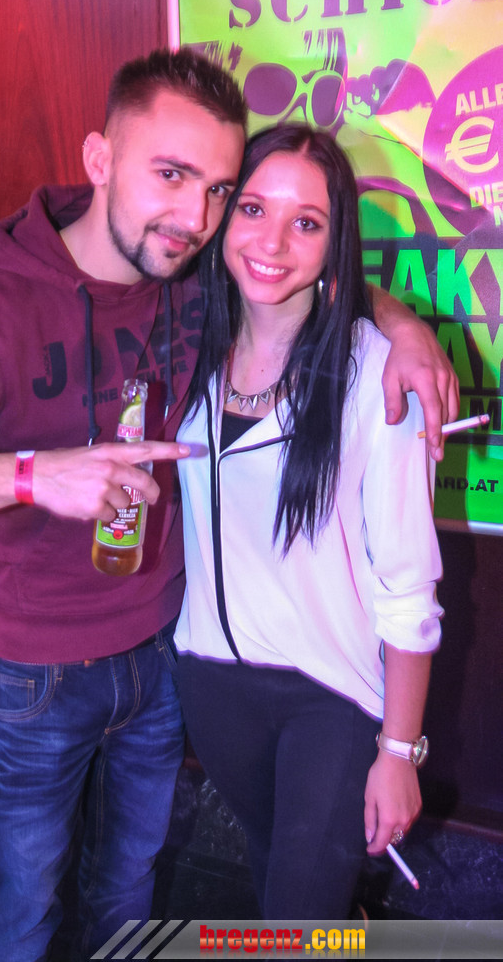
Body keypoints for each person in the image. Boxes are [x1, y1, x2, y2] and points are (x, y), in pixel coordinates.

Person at [0, 51, 455, 958]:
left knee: (131, 890)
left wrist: (404, 328)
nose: (195, 217)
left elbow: (296, 264)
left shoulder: (191, 281)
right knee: (23, 904)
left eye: (217, 190)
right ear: (100, 159)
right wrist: (33, 476)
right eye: (171, 175)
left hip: (162, 660)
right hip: (38, 673)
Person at [174, 123, 444, 920]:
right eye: (254, 208)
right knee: (281, 888)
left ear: (335, 243)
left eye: (307, 222)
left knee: (293, 920)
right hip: (211, 685)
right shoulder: (184, 350)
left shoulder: (377, 374)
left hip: (330, 702)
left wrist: (399, 750)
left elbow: (408, 583)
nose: (272, 242)